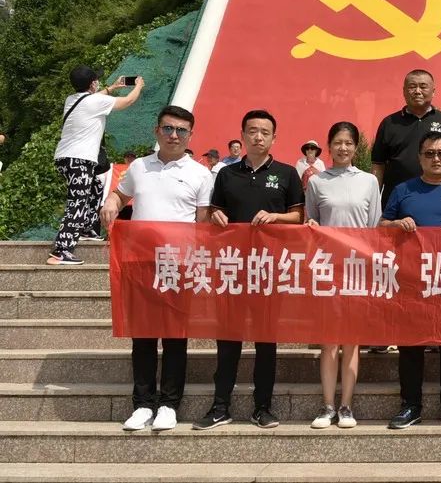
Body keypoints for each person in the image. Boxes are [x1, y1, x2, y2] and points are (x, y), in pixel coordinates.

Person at [100, 105, 212, 432]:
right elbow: (120, 196)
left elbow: (202, 224)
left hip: (178, 265)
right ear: (157, 131)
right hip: (140, 262)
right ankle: (143, 404)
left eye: (181, 130)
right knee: (143, 336)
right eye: (168, 128)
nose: (174, 135)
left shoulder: (200, 174)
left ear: (190, 135)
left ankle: (168, 404)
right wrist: (111, 203)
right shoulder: (139, 167)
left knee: (175, 337)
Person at [193, 110, 304, 431]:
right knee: (228, 338)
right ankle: (220, 406)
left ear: (274, 138)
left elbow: (298, 216)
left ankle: (263, 407)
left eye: (265, 132)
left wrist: (275, 217)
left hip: (269, 269)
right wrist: (216, 217)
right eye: (252, 131)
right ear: (242, 135)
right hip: (233, 268)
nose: (258, 137)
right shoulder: (226, 175)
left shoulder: (286, 174)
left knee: (266, 341)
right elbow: (215, 213)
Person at [381, 131, 441, 430]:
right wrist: (396, 224)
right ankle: (410, 405)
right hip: (411, 280)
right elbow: (381, 226)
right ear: (420, 158)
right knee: (410, 345)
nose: (436, 158)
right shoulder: (403, 190)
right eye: (430, 153)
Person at [304, 122, 382, 430]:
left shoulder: (369, 181)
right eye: (337, 142)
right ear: (329, 145)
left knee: (351, 341)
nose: (343, 148)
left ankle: (346, 406)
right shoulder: (317, 182)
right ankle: (327, 406)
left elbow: (374, 228)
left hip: (357, 270)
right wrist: (311, 227)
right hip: (327, 270)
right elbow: (311, 221)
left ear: (355, 147)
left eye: (349, 143)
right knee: (329, 342)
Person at [49, 66, 144, 265]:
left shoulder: (72, 100)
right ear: (93, 83)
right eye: (96, 81)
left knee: (95, 187)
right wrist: (138, 86)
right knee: (77, 202)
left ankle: (87, 229)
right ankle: (62, 249)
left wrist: (112, 87)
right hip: (80, 160)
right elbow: (128, 101)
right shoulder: (95, 101)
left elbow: (94, 98)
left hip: (66, 158)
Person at [372, 69, 441, 208]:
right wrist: (373, 201)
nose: (417, 91)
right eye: (412, 87)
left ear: (433, 91)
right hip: (398, 200)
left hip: (439, 198)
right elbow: (378, 165)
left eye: (423, 86)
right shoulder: (389, 123)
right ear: (404, 91)